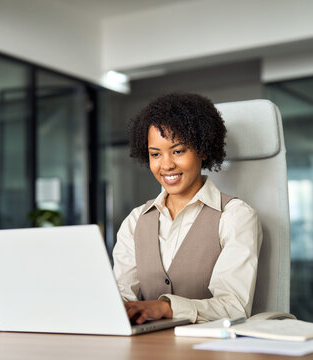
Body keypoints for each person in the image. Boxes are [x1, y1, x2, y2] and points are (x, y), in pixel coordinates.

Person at [112, 93, 262, 324]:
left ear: (202, 150)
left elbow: (234, 307)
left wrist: (166, 308)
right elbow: (121, 299)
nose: (166, 164)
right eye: (155, 154)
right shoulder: (135, 221)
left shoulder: (235, 216)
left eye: (178, 151)